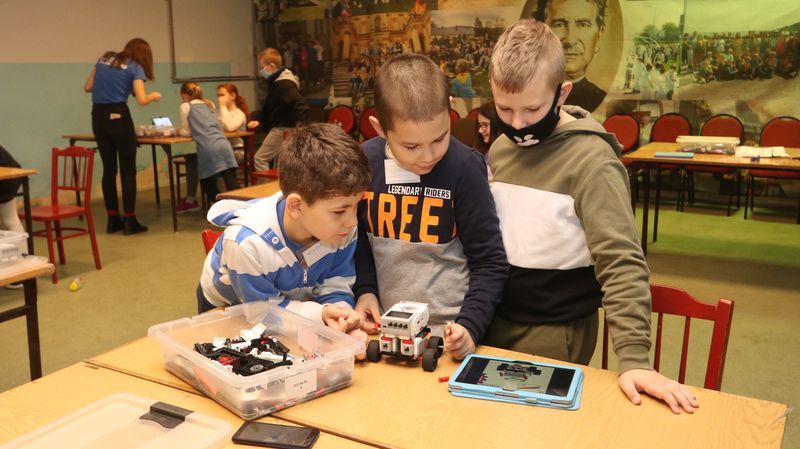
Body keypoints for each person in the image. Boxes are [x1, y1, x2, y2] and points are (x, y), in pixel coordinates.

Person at [485, 19, 698, 414]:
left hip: (553, 329)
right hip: (494, 319)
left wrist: (634, 358)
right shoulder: (500, 149)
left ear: (562, 93)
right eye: (504, 109)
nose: (517, 124)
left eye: (532, 109)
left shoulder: (593, 162)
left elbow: (621, 261)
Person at [353, 54, 508, 361]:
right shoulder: (364, 163)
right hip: (384, 332)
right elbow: (357, 243)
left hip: (448, 336)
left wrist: (470, 327)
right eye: (410, 146)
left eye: (440, 138)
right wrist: (365, 290)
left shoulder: (464, 167)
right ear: (379, 128)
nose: (427, 156)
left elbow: (490, 261)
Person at [198, 123, 371, 342]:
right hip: (230, 306)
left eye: (357, 205)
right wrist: (320, 316)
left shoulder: (340, 229)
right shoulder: (246, 244)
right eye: (339, 211)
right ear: (297, 206)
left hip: (292, 303)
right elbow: (262, 314)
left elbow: (335, 283)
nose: (352, 221)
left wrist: (342, 317)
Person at [83, 37, 161, 235]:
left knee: (109, 169)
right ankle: (129, 220)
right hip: (119, 116)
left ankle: (112, 219)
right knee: (127, 170)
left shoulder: (104, 59)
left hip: (98, 117)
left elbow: (88, 87)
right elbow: (141, 99)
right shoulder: (135, 66)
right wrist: (153, 97)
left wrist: (108, 86)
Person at [533, 0, 607, 111]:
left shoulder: (601, 99)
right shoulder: (523, 95)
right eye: (559, 24)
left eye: (583, 25)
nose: (570, 40)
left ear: (598, 37)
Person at [177, 82, 240, 207]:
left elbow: (188, 131)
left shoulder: (185, 106)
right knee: (231, 181)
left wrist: (178, 131)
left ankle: (222, 207)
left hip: (208, 147)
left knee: (207, 183)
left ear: (184, 95)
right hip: (224, 144)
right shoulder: (209, 103)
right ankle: (245, 206)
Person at [254, 48, 309, 171]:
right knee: (279, 164)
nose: (261, 70)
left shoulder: (284, 84)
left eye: (262, 67)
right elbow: (270, 106)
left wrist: (300, 128)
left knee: (260, 159)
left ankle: (266, 184)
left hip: (283, 128)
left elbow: (301, 105)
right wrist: (259, 120)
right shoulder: (278, 82)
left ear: (272, 66)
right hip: (285, 127)